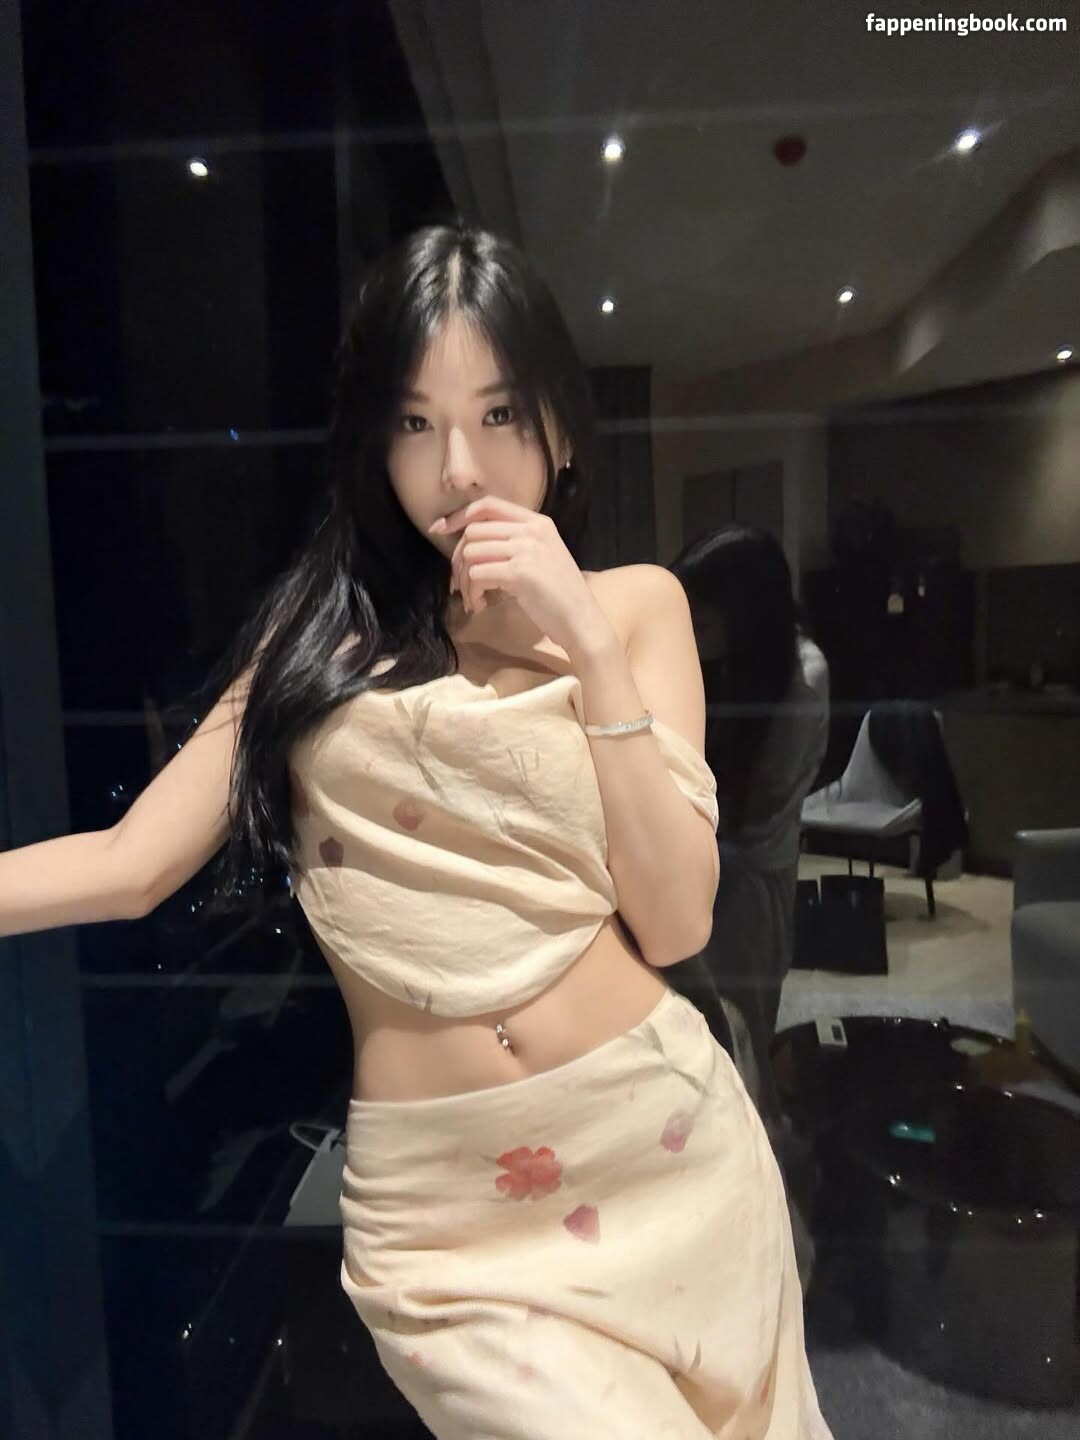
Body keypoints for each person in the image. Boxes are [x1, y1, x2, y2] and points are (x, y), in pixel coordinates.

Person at [1, 223, 831, 1438]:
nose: (458, 469)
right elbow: (129, 867)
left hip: (662, 1146)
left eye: (498, 415)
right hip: (449, 1227)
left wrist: (582, 640)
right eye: (414, 422)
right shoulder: (311, 647)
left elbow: (674, 919)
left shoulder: (635, 610)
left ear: (559, 428)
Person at [667, 526, 830, 1135]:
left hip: (749, 878)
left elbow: (757, 811)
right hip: (701, 861)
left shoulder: (801, 675)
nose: (688, 638)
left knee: (742, 1032)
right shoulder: (717, 664)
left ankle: (764, 1149)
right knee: (692, 1030)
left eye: (702, 624)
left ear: (747, 617)